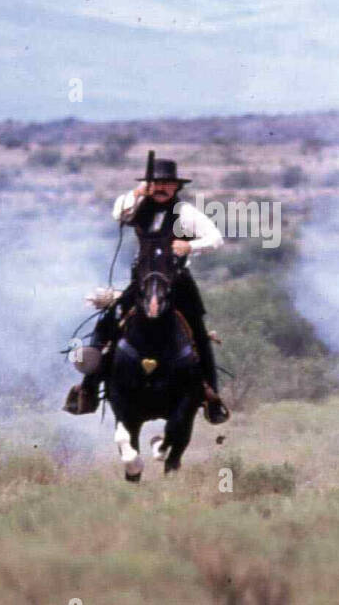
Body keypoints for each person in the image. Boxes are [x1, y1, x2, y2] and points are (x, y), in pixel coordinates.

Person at [64, 157, 229, 423]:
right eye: (157, 183)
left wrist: (190, 247)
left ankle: (211, 397)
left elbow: (216, 239)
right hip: (141, 283)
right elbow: (119, 212)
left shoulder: (184, 213)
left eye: (167, 184)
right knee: (107, 321)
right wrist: (138, 192)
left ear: (175, 187)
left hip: (177, 284)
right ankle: (88, 387)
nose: (162, 188)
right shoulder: (138, 206)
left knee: (197, 333)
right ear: (149, 185)